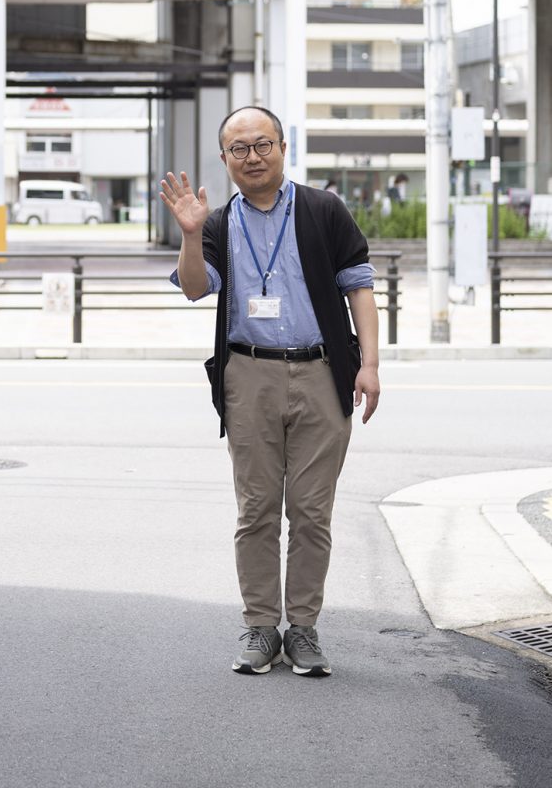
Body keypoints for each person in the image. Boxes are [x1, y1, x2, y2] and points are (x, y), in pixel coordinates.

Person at [160, 106, 381, 679]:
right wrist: (189, 234)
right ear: (225, 158)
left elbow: (358, 286)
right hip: (247, 373)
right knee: (256, 510)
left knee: (311, 512)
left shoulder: (322, 209)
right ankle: (261, 626)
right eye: (239, 149)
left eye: (262, 145)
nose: (252, 157)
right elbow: (193, 289)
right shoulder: (216, 222)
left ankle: (302, 628)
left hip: (321, 371)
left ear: (283, 147)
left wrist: (370, 365)